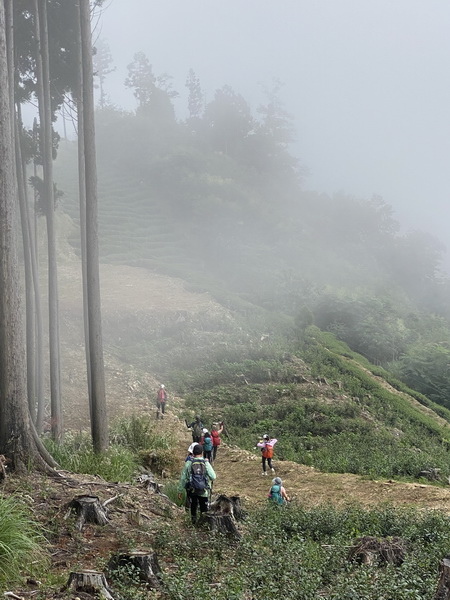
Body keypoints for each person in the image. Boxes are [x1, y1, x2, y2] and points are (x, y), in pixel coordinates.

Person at [178, 444, 216, 524]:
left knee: (193, 507)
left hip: (192, 490)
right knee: (204, 510)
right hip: (204, 491)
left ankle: (193, 523)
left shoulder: (189, 463)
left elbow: (183, 478)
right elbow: (213, 476)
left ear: (193, 453)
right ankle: (203, 524)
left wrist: (180, 491)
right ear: (202, 452)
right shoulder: (205, 463)